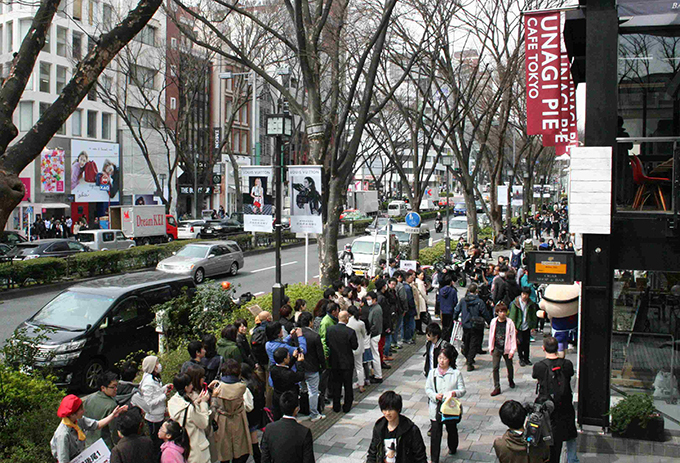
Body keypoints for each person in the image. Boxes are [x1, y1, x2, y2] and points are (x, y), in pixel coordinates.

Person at [532, 336, 578, 463]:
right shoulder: (567, 364)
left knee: (550, 442)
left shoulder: (539, 366)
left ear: (543, 348)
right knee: (569, 436)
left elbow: (536, 377)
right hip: (565, 408)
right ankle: (572, 459)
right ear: (558, 348)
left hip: (548, 410)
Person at [51, 394, 127, 463]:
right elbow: (63, 460)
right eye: (81, 410)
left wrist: (113, 415)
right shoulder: (62, 435)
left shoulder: (77, 420)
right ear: (72, 414)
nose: (83, 411)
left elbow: (97, 425)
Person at [425, 345, 466, 463]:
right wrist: (434, 396)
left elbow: (462, 390)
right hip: (436, 407)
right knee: (435, 434)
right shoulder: (432, 373)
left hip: (450, 408)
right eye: (440, 358)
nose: (441, 361)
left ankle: (453, 447)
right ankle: (434, 458)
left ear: (450, 360)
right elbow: (428, 389)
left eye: (444, 358)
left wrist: (453, 393)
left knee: (451, 429)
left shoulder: (456, 374)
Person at [209, 360, 253, 463]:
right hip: (238, 418)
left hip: (222, 419)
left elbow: (213, 406)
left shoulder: (218, 388)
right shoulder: (242, 387)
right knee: (240, 447)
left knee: (224, 450)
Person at [367, 391, 427, 463]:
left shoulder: (411, 430)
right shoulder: (379, 428)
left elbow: (420, 456)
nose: (387, 413)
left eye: (391, 409)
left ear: (398, 409)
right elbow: (373, 452)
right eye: (385, 409)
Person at [167, 372, 211, 463]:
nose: (192, 386)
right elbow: (204, 423)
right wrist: (203, 403)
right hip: (197, 449)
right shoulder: (190, 409)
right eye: (190, 384)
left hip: (183, 448)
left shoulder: (172, 402)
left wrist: (196, 402)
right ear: (186, 387)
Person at [260, 391, 315, 463]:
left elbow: (265, 458)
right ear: (296, 409)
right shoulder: (304, 432)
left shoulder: (269, 428)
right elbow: (308, 460)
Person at [326, 310, 359, 413]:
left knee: (336, 384)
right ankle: (347, 406)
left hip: (334, 361)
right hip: (347, 362)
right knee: (348, 385)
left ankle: (336, 406)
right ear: (347, 319)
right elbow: (355, 346)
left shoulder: (330, 330)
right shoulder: (350, 331)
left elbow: (327, 343)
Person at [453, 284, 490, 371]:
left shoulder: (463, 300)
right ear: (476, 291)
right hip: (476, 324)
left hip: (465, 324)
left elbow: (457, 310)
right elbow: (485, 313)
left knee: (466, 341)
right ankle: (470, 361)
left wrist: (455, 318)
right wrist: (489, 322)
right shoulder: (479, 301)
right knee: (474, 343)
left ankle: (467, 355)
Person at [298, 311, 326, 422]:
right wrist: (323, 366)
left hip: (299, 367)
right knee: (313, 391)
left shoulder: (295, 334)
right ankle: (314, 413)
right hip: (312, 367)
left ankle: (302, 409)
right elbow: (320, 354)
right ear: (310, 322)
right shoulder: (314, 336)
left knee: (302, 389)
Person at [139, 355, 169, 457]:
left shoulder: (154, 377)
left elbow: (155, 392)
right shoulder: (148, 382)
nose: (158, 365)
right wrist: (163, 396)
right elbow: (148, 403)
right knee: (157, 442)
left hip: (159, 414)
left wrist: (164, 388)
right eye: (156, 363)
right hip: (153, 417)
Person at [82, 371, 121, 447]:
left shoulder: (89, 398)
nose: (116, 389)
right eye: (113, 387)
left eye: (117, 386)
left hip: (88, 442)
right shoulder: (112, 405)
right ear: (103, 388)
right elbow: (113, 430)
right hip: (104, 444)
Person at [270, 347, 306, 421]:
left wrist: (293, 358)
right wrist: (300, 362)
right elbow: (300, 376)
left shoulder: (273, 369)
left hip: (277, 397)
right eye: (288, 356)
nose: (289, 357)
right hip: (287, 399)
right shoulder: (288, 374)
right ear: (284, 359)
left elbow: (285, 367)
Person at [489, 303, 517, 397]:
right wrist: (491, 347)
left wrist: (512, 350)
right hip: (497, 347)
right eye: (501, 311)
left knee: (509, 366)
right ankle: (497, 387)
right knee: (495, 367)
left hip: (507, 348)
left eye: (504, 311)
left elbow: (513, 336)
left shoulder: (510, 322)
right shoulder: (493, 322)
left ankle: (511, 379)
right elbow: (491, 335)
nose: (503, 313)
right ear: (497, 312)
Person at [509, 287, 539, 367]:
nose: (524, 296)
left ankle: (526, 358)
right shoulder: (515, 303)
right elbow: (512, 316)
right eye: (523, 294)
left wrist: (533, 326)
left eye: (526, 294)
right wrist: (513, 327)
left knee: (526, 343)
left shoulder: (531, 304)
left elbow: (533, 315)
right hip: (518, 326)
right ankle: (521, 358)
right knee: (520, 343)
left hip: (526, 325)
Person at [241, 363, 265, 463]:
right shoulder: (257, 380)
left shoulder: (246, 386)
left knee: (250, 442)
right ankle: (258, 458)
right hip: (257, 414)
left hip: (249, 416)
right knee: (254, 441)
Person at [347, 305, 368, 392]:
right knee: (359, 366)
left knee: (351, 367)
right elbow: (364, 334)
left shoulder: (347, 323)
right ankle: (361, 384)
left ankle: (350, 384)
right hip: (359, 346)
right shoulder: (361, 323)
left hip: (349, 347)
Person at [366, 291, 384, 382]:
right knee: (374, 355)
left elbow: (376, 325)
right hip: (374, 334)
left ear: (374, 299)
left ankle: (378, 375)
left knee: (375, 355)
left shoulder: (376, 309)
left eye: (369, 299)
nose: (368, 301)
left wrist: (370, 333)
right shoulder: (373, 308)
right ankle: (376, 374)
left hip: (374, 335)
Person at [438, 273, 458, 339]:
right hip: (450, 310)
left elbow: (438, 300)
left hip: (442, 310)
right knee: (449, 327)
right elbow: (455, 301)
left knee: (444, 326)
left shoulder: (441, 290)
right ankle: (448, 339)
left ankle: (443, 338)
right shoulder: (453, 291)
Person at [402, 272, 417, 345]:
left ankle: (406, 337)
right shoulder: (407, 288)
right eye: (411, 277)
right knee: (409, 325)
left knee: (407, 324)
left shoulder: (405, 286)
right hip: (409, 310)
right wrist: (413, 307)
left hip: (407, 309)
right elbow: (409, 299)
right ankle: (407, 338)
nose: (412, 279)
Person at [413, 270, 429, 335]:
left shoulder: (416, 282)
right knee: (421, 315)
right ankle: (419, 329)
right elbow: (423, 293)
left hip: (418, 299)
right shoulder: (420, 283)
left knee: (419, 315)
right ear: (417, 275)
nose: (422, 276)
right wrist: (426, 300)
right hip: (421, 299)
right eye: (421, 275)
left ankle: (418, 329)